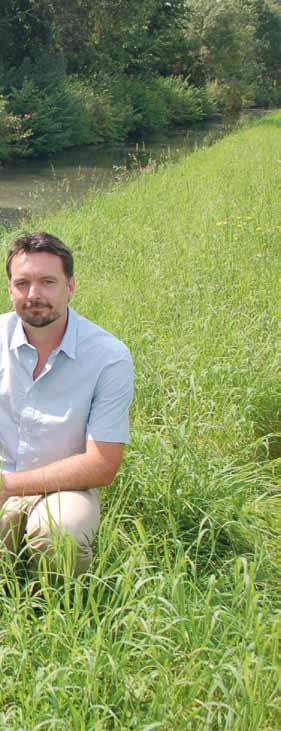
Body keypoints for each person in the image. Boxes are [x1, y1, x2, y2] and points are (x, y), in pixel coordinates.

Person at [0, 231, 134, 577]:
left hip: (64, 488)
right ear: (9, 287)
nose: (34, 294)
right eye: (22, 283)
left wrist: (7, 486)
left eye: (47, 282)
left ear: (70, 287)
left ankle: (62, 616)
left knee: (58, 535)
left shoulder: (109, 357)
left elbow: (103, 464)